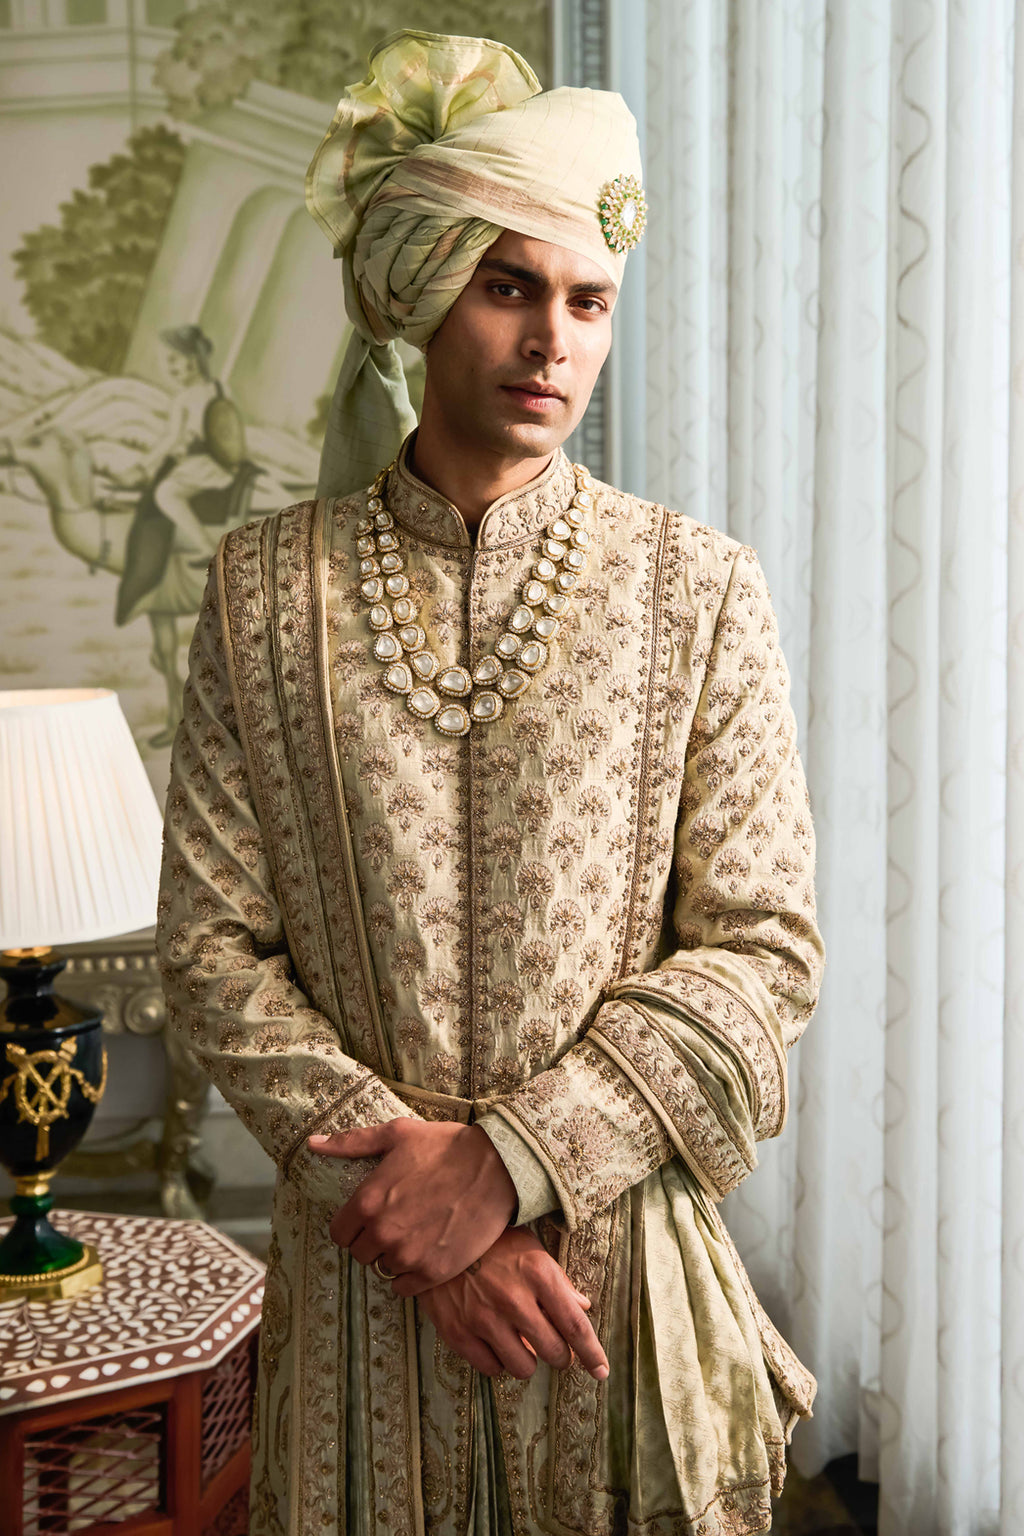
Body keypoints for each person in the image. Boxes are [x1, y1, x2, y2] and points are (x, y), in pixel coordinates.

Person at [155, 29, 824, 1536]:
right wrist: (422, 1217)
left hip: (613, 1292)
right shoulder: (263, 593)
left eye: (589, 301)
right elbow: (209, 952)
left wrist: (515, 1166)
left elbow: (764, 950)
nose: (552, 343)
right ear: (418, 293)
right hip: (365, 1285)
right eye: (509, 287)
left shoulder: (697, 591)